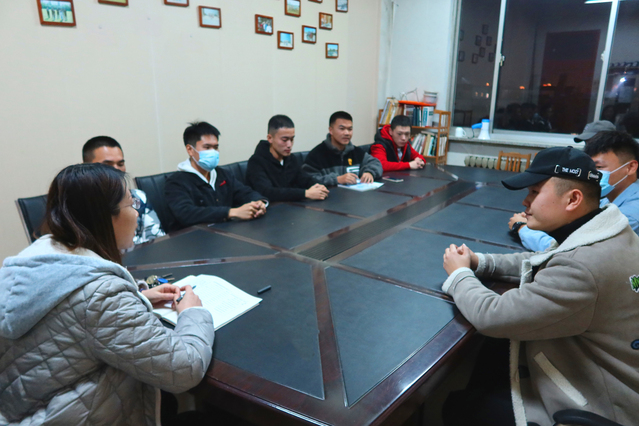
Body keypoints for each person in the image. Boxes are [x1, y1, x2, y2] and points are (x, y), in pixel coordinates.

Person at [0, 163, 215, 425]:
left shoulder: (36, 257)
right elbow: (185, 370)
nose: (137, 213)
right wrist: (193, 312)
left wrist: (139, 297)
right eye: (132, 204)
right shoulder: (102, 295)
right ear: (104, 216)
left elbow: (71, 319)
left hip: (24, 409)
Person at [442, 147, 639, 426]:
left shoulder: (583, 267)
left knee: (459, 407)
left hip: (596, 405)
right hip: (605, 373)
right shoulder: (605, 231)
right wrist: (480, 261)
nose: (525, 200)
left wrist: (460, 274)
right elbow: (545, 259)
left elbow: (493, 315)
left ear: (573, 199)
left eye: (535, 192)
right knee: (491, 354)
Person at [510, 131, 639, 251]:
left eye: (599, 167)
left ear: (631, 167)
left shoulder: (631, 215)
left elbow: (571, 249)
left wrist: (522, 228)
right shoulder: (607, 197)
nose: (592, 174)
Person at [164, 121, 267, 232]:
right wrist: (231, 212)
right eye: (207, 147)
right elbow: (186, 213)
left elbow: (245, 192)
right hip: (192, 237)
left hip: (225, 232)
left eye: (215, 147)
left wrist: (259, 203)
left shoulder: (222, 174)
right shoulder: (176, 182)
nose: (213, 152)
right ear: (190, 150)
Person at [83, 136, 165, 244]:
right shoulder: (82, 204)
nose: (116, 169)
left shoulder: (138, 197)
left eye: (120, 164)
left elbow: (156, 237)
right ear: (87, 166)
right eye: (107, 165)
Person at [246, 115, 329, 202]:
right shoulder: (256, 162)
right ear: (270, 138)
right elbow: (267, 192)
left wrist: (319, 186)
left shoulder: (290, 158)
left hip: (292, 206)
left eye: (292, 139)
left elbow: (304, 179)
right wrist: (305, 193)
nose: (289, 145)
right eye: (284, 140)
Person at [302, 111, 382, 185]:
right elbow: (307, 179)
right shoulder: (317, 154)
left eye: (350, 129)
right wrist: (337, 179)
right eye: (342, 129)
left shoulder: (356, 152)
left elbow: (376, 163)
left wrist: (369, 172)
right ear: (331, 130)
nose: (347, 133)